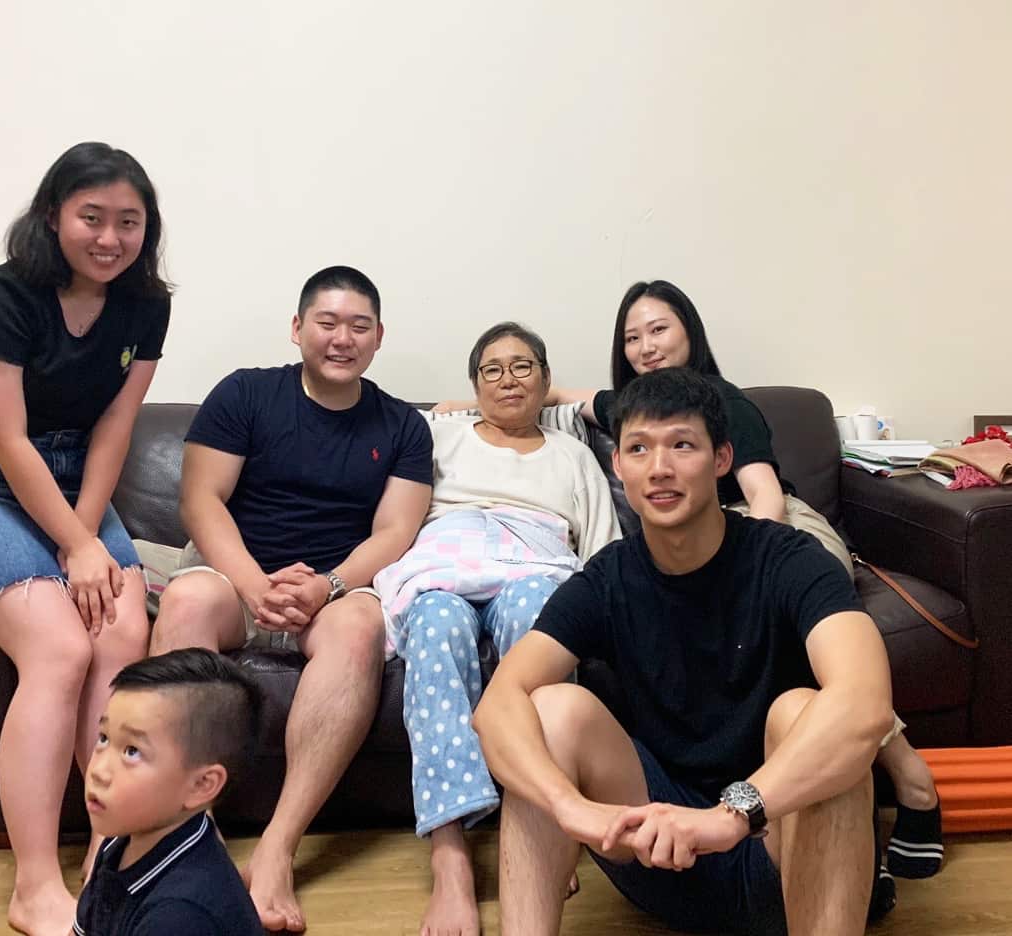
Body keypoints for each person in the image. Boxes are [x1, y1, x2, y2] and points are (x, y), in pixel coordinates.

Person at [474, 367, 896, 935]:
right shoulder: (607, 580)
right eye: (639, 448)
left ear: (722, 459)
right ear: (618, 466)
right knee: (547, 710)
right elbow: (498, 703)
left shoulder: (789, 561)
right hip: (659, 856)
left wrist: (731, 817)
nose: (660, 468)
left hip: (781, 848)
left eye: (682, 445)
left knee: (803, 711)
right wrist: (569, 808)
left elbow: (865, 705)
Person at [546, 279, 941, 879]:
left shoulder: (725, 402)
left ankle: (891, 792)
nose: (646, 347)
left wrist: (750, 572)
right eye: (632, 337)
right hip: (694, 540)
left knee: (801, 652)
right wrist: (461, 404)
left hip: (774, 527)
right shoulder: (633, 409)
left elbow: (764, 498)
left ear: (690, 333)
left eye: (659, 330)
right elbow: (566, 394)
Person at [0, 142, 171, 936]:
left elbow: (114, 427)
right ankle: (33, 886)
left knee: (121, 629)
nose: (110, 237)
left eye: (129, 222)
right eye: (92, 217)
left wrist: (86, 533)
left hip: (74, 481)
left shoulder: (146, 304)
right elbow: (9, 443)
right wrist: (77, 546)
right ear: (54, 214)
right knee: (60, 648)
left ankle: (107, 854)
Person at [149, 265, 433, 931]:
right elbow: (200, 500)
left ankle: (277, 848)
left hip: (333, 589)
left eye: (358, 326)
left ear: (378, 336)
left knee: (361, 626)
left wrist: (326, 585)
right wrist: (253, 584)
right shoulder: (246, 395)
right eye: (327, 323)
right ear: (298, 327)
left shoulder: (401, 426)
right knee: (186, 602)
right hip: (236, 578)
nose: (342, 338)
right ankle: (194, 841)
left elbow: (396, 530)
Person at [374, 322, 621, 936]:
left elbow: (601, 553)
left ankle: (540, 821)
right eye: (492, 369)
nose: (508, 379)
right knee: (434, 624)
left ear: (545, 379)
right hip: (446, 561)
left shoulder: (573, 455)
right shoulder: (440, 438)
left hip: (536, 563)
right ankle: (450, 856)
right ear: (473, 384)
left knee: (536, 614)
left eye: (523, 366)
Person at [76, 649, 264, 936]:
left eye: (132, 752)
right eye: (103, 738)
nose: (99, 770)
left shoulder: (180, 914)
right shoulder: (119, 844)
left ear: (201, 785)